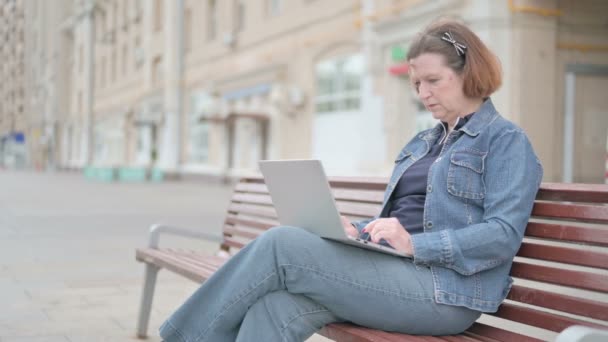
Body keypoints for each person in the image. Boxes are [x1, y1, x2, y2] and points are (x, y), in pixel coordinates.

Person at [159, 19, 543, 342]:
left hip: (448, 292)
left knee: (281, 245)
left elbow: (502, 235)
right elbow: (400, 219)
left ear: (467, 72)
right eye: (416, 85)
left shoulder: (506, 141)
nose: (423, 94)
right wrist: (355, 230)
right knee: (276, 306)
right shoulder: (422, 142)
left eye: (433, 81)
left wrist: (414, 244)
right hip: (396, 273)